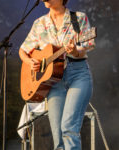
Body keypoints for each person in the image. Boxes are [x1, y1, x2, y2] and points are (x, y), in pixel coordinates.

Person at [19, 0, 95, 149]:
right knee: (58, 138)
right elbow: (23, 50)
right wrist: (30, 61)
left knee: (69, 127)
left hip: (78, 75)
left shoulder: (78, 18)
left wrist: (74, 51)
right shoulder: (39, 23)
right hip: (53, 82)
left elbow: (87, 46)